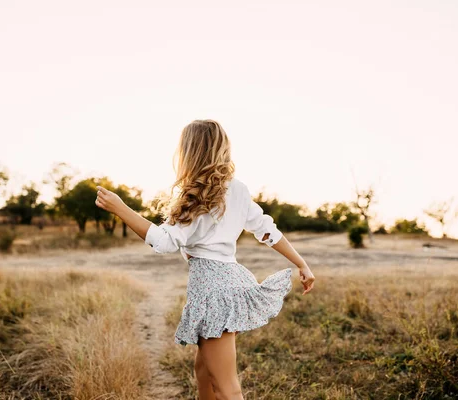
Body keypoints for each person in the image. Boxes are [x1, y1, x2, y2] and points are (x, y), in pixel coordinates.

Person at [95, 119, 315, 400]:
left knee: (227, 388)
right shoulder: (238, 189)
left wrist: (121, 208)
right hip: (230, 282)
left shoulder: (196, 195)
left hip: (214, 291)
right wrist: (301, 263)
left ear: (189, 151)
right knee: (204, 372)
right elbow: (267, 231)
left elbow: (164, 243)